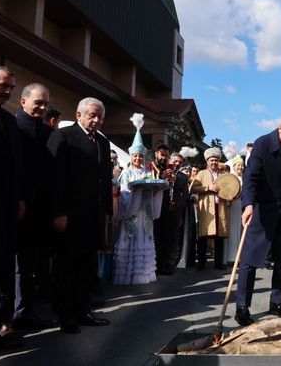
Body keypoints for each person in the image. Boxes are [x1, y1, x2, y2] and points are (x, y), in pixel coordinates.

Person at [47, 97, 112, 334]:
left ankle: (83, 310)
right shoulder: (63, 137)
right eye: (92, 115)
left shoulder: (103, 143)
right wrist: (59, 212)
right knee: (67, 267)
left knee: (87, 266)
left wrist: (107, 213)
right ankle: (66, 314)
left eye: (100, 117)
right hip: (70, 215)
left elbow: (104, 181)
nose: (96, 120)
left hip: (93, 216)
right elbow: (56, 179)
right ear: (79, 115)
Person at [234, 116, 281, 326]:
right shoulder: (262, 144)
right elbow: (251, 178)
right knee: (250, 260)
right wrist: (248, 205)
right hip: (260, 210)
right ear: (279, 128)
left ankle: (276, 302)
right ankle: (242, 307)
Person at [12, 83, 57, 331]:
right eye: (38, 102)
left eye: (45, 104)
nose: (42, 107)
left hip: (40, 211)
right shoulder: (12, 126)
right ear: (23, 102)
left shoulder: (49, 132)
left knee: (32, 265)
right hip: (16, 208)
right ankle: (15, 314)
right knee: (16, 266)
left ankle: (27, 311)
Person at [0, 65, 24, 349]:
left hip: (6, 211)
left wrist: (19, 198)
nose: (8, 91)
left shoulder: (9, 121)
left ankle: (2, 325)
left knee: (4, 271)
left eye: (11, 87)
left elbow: (16, 166)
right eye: (3, 86)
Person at [113, 114, 163, 285]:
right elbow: (124, 192)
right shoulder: (126, 173)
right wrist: (135, 190)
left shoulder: (149, 173)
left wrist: (155, 190)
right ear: (131, 156)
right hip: (131, 211)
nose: (138, 159)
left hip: (145, 213)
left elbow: (152, 189)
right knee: (130, 238)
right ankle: (127, 275)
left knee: (144, 238)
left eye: (140, 156)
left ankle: (143, 275)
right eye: (135, 156)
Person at [150, 145, 188, 275]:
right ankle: (158, 265)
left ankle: (169, 265)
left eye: (179, 162)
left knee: (171, 239)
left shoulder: (183, 177)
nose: (177, 164)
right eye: (174, 161)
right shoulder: (163, 171)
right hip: (160, 208)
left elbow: (185, 195)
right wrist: (165, 177)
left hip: (174, 211)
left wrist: (179, 208)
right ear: (170, 161)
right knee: (159, 237)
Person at [191, 147, 231, 270]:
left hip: (221, 207)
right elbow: (193, 188)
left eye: (216, 160)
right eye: (211, 160)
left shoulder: (224, 175)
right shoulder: (201, 174)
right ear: (207, 161)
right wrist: (208, 187)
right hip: (207, 208)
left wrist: (230, 195)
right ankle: (201, 263)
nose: (214, 162)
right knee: (204, 236)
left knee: (219, 236)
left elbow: (230, 188)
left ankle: (218, 263)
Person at [226, 156, 245, 263]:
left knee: (241, 230)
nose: (240, 167)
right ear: (234, 166)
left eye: (242, 165)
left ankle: (241, 256)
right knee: (233, 229)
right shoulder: (230, 177)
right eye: (238, 165)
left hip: (243, 205)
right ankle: (231, 256)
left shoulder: (245, 177)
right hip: (233, 205)